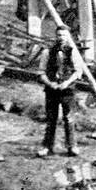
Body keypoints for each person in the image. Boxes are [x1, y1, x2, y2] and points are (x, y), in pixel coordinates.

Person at [38, 26, 80, 158]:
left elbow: (78, 72)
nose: (61, 38)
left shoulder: (73, 52)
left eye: (63, 35)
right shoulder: (47, 52)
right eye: (59, 35)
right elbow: (41, 72)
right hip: (52, 89)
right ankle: (47, 146)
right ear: (55, 36)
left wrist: (66, 83)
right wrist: (50, 83)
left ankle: (72, 146)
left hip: (67, 90)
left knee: (69, 118)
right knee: (51, 119)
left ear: (68, 36)